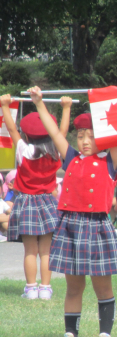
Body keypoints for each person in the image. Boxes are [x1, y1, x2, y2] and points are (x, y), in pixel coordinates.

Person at [30, 85, 117, 337]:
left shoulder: (110, 162)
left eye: (91, 136)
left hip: (97, 228)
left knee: (102, 284)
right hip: (70, 227)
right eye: (80, 135)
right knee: (74, 286)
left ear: (102, 139)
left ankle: (105, 335)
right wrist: (38, 103)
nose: (84, 141)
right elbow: (52, 131)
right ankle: (71, 336)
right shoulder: (71, 158)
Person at [2, 95, 71, 300]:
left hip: (26, 202)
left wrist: (5, 105)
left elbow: (12, 129)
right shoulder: (55, 152)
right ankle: (46, 288)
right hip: (48, 202)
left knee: (30, 250)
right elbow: (62, 132)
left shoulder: (24, 150)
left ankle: (31, 288)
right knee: (46, 249)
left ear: (28, 135)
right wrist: (66, 108)